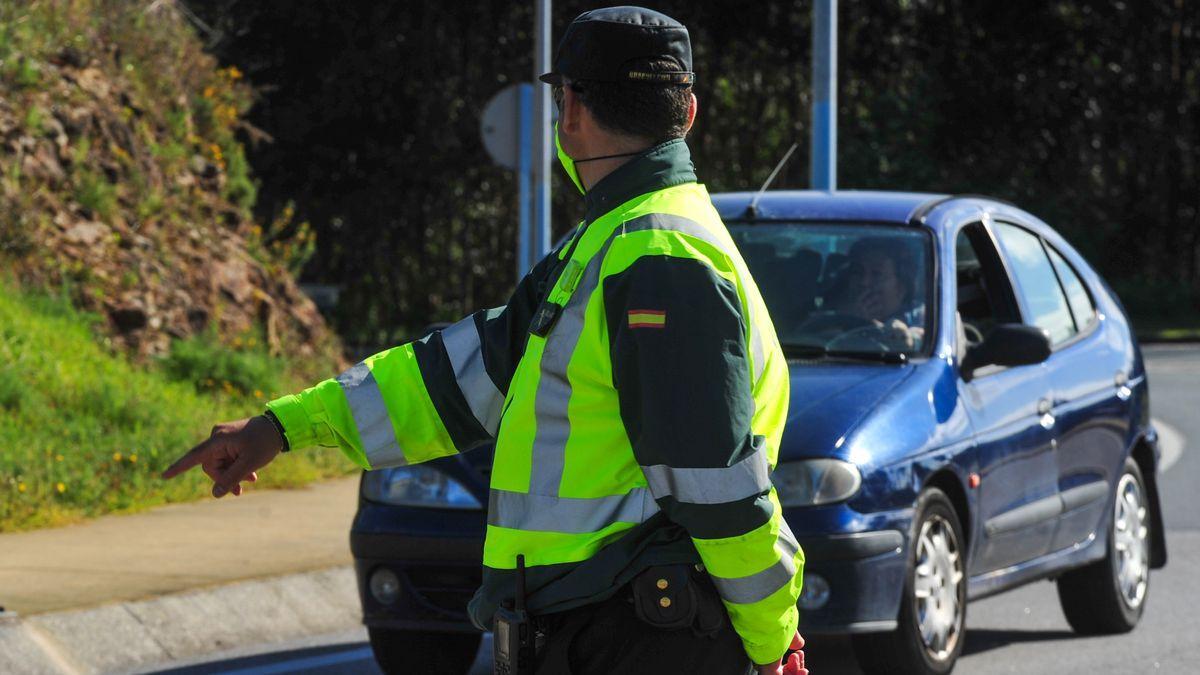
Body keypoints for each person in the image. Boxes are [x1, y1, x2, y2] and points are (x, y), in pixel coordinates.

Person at [163, 7, 806, 675]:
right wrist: (282, 428)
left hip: (633, 637)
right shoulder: (621, 242)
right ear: (689, 112)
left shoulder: (653, 255)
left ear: (570, 110)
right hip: (616, 630)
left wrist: (770, 640)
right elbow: (449, 383)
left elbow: (716, 487)